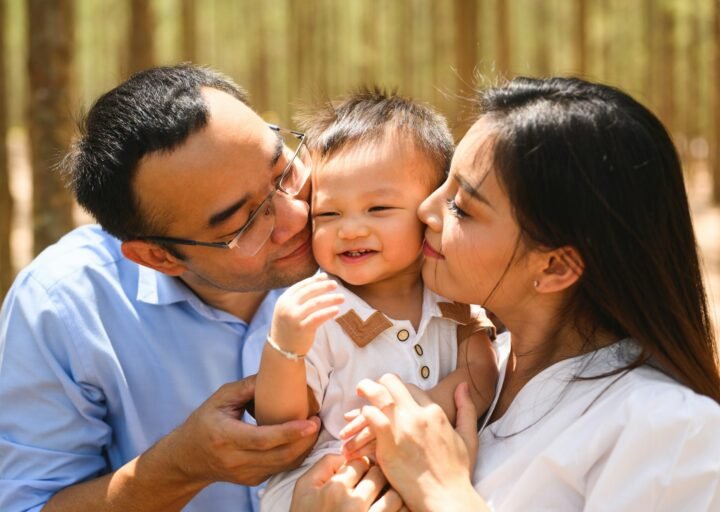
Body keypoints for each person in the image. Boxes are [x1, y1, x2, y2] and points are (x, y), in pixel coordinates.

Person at [292, 76, 720, 511]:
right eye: (444, 184)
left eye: (462, 207)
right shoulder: (471, 359)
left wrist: (445, 494)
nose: (425, 210)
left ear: (554, 266)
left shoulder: (668, 429)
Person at [0, 65, 323, 512]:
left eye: (283, 170)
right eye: (243, 222)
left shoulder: (370, 234)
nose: (297, 217)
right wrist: (182, 466)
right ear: (156, 257)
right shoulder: (63, 304)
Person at [255, 89, 497, 511]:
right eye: (328, 215)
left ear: (430, 208)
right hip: (332, 477)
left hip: (429, 467)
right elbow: (282, 427)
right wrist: (285, 349)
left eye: (378, 208)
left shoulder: (452, 296)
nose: (350, 230)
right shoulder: (319, 308)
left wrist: (413, 418)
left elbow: (481, 375)